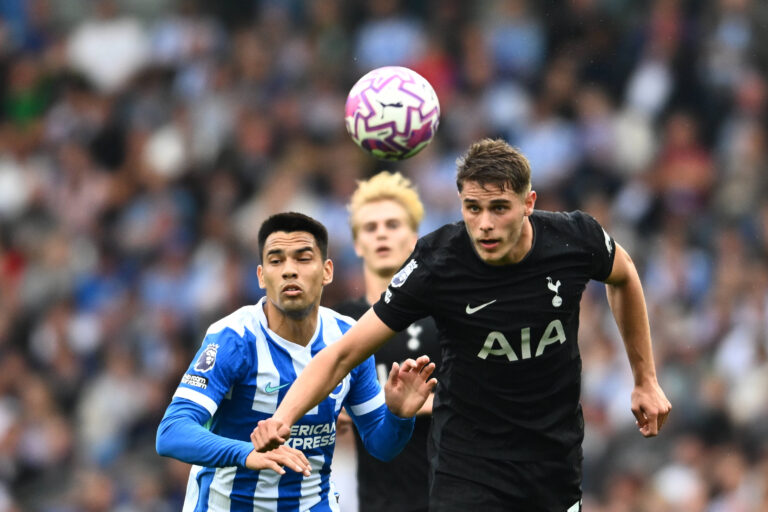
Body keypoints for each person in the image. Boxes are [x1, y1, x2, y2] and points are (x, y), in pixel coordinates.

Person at [251, 139, 673, 512]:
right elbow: (344, 352)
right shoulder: (437, 264)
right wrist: (282, 419)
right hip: (469, 466)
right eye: (473, 208)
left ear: (528, 203)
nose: (484, 223)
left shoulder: (574, 239)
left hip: (553, 462)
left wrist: (645, 380)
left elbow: (624, 275)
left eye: (499, 208)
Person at [156, 212, 436, 511]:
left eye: (303, 259)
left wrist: (399, 416)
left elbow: (381, 446)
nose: (290, 270)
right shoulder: (233, 339)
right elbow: (172, 432)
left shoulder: (348, 340)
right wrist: (246, 453)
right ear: (261, 276)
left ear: (327, 271)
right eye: (276, 261)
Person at [334, 171, 441, 512]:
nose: (381, 233)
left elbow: (476, 399)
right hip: (377, 501)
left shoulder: (442, 315)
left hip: (450, 497)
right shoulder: (341, 323)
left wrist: (375, 407)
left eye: (392, 225)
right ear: (357, 243)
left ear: (414, 238)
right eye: (370, 227)